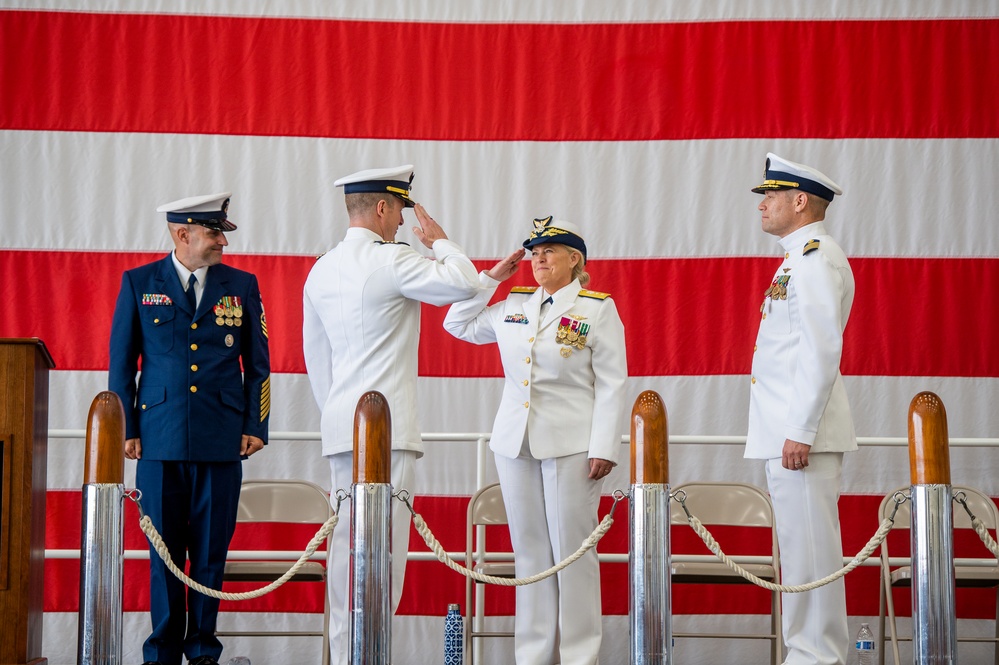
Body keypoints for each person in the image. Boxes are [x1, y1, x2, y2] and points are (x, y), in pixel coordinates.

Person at [302, 164, 480, 665]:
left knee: (343, 555)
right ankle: (373, 656)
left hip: (342, 428)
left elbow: (317, 359)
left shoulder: (321, 268)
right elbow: (464, 283)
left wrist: (340, 415)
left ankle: (344, 656)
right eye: (400, 208)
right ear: (382, 207)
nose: (403, 221)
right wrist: (442, 242)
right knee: (384, 557)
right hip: (390, 432)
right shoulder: (394, 261)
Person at [443, 216, 628, 665]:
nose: (538, 259)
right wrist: (490, 279)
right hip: (515, 442)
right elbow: (456, 323)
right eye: (534, 253)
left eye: (549, 251)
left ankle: (580, 657)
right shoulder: (516, 303)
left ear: (574, 259)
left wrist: (604, 447)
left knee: (573, 553)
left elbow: (612, 383)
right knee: (528, 551)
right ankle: (533, 655)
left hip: (573, 445)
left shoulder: (596, 308)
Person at [108, 192, 270, 665]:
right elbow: (122, 366)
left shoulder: (241, 285)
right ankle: (161, 653)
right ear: (183, 234)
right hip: (157, 441)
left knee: (209, 553)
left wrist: (255, 424)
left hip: (222, 440)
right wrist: (126, 428)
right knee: (164, 557)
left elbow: (258, 365)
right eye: (215, 232)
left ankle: (202, 652)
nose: (222, 240)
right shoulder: (140, 283)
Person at [745, 153, 857, 665]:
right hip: (790, 433)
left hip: (799, 436)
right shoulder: (798, 257)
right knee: (800, 552)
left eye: (771, 196)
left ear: (799, 201)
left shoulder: (814, 257)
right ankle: (808, 653)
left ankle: (818, 656)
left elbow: (820, 349)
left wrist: (800, 430)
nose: (763, 205)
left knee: (810, 553)